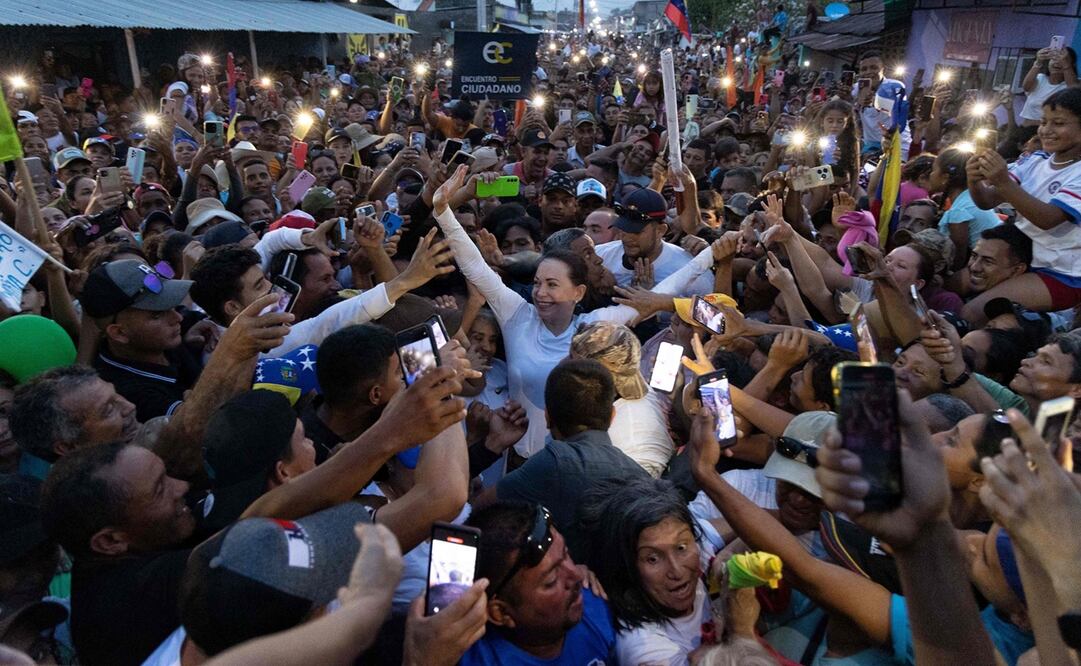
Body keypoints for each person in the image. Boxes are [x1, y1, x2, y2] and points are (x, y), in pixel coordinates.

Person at [433, 166, 716, 458]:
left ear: (578, 292)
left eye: (553, 285)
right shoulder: (517, 315)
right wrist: (443, 211)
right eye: (538, 283)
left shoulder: (593, 328)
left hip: (570, 461)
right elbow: (477, 268)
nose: (541, 293)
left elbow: (668, 286)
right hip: (512, 455)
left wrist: (713, 254)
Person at [477, 359, 649, 561]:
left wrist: (484, 443)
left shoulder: (554, 463)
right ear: (612, 416)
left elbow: (477, 510)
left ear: (548, 417)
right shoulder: (642, 477)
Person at [966, 88, 1081, 321]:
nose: (1046, 130)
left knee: (973, 312)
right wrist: (974, 179)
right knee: (952, 284)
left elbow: (1048, 219)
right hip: (1022, 256)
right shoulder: (1035, 161)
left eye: (1058, 123)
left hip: (1061, 272)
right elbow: (986, 201)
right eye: (1043, 121)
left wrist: (1002, 181)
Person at [460, 501, 617, 664]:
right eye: (552, 580)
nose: (576, 575)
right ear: (501, 612)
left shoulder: (596, 606)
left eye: (567, 554)